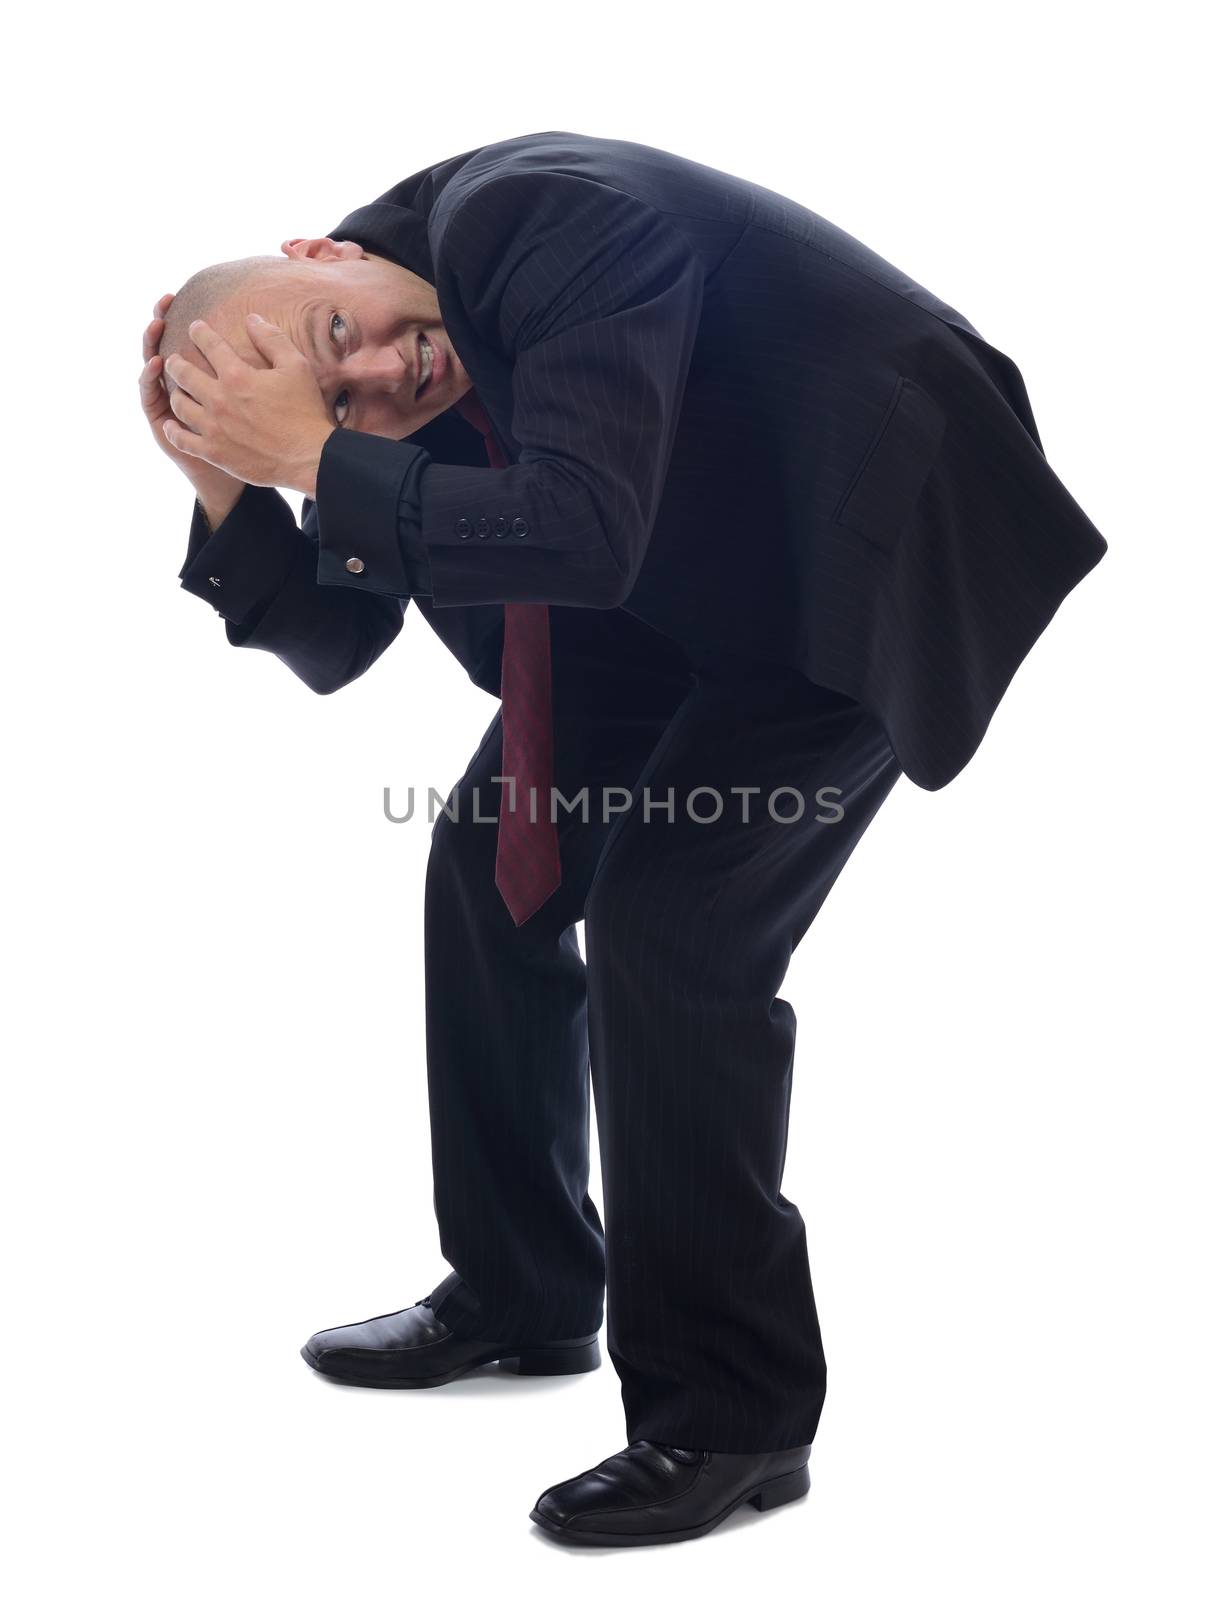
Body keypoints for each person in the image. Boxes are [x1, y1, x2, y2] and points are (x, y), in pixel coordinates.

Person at [140, 129, 1107, 1546]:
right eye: (329, 389)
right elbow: (340, 638)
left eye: (341, 336)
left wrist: (312, 447)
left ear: (322, 253)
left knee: (672, 926)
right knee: (489, 860)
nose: (375, 381)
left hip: (857, 537)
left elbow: (576, 533)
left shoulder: (555, 220)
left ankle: (733, 1419)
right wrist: (226, 477)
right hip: (669, 569)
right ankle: (525, 1289)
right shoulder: (344, 369)